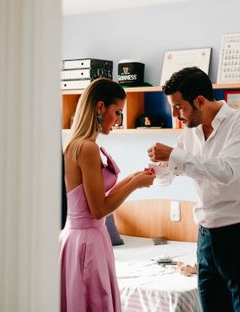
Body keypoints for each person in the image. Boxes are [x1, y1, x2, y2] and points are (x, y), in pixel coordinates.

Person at [148, 67, 240, 312]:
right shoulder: (189, 132)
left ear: (200, 101)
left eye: (179, 107)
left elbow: (225, 171)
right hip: (205, 237)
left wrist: (175, 156)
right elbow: (170, 176)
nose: (175, 114)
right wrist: (157, 169)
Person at [61, 78, 155, 312]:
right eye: (117, 112)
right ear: (100, 107)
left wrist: (134, 179)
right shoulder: (88, 148)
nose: (118, 120)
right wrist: (134, 186)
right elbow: (99, 209)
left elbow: (92, 197)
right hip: (87, 242)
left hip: (79, 239)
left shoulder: (77, 145)